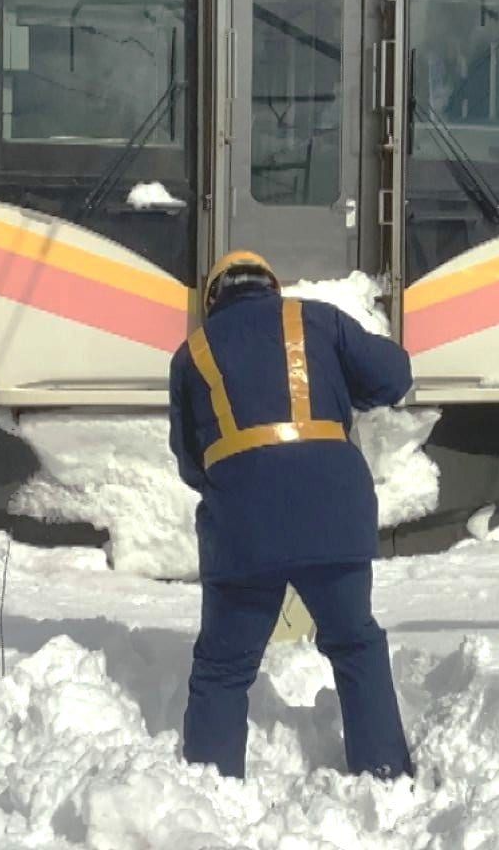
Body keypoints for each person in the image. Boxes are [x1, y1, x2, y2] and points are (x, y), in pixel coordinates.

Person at [168, 249, 415, 780]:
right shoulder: (316, 319)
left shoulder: (193, 354)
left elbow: (191, 463)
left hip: (242, 531)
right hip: (333, 516)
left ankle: (209, 791)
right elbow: (394, 376)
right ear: (270, 286)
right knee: (355, 645)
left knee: (223, 668)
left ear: (213, 299)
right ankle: (386, 778)